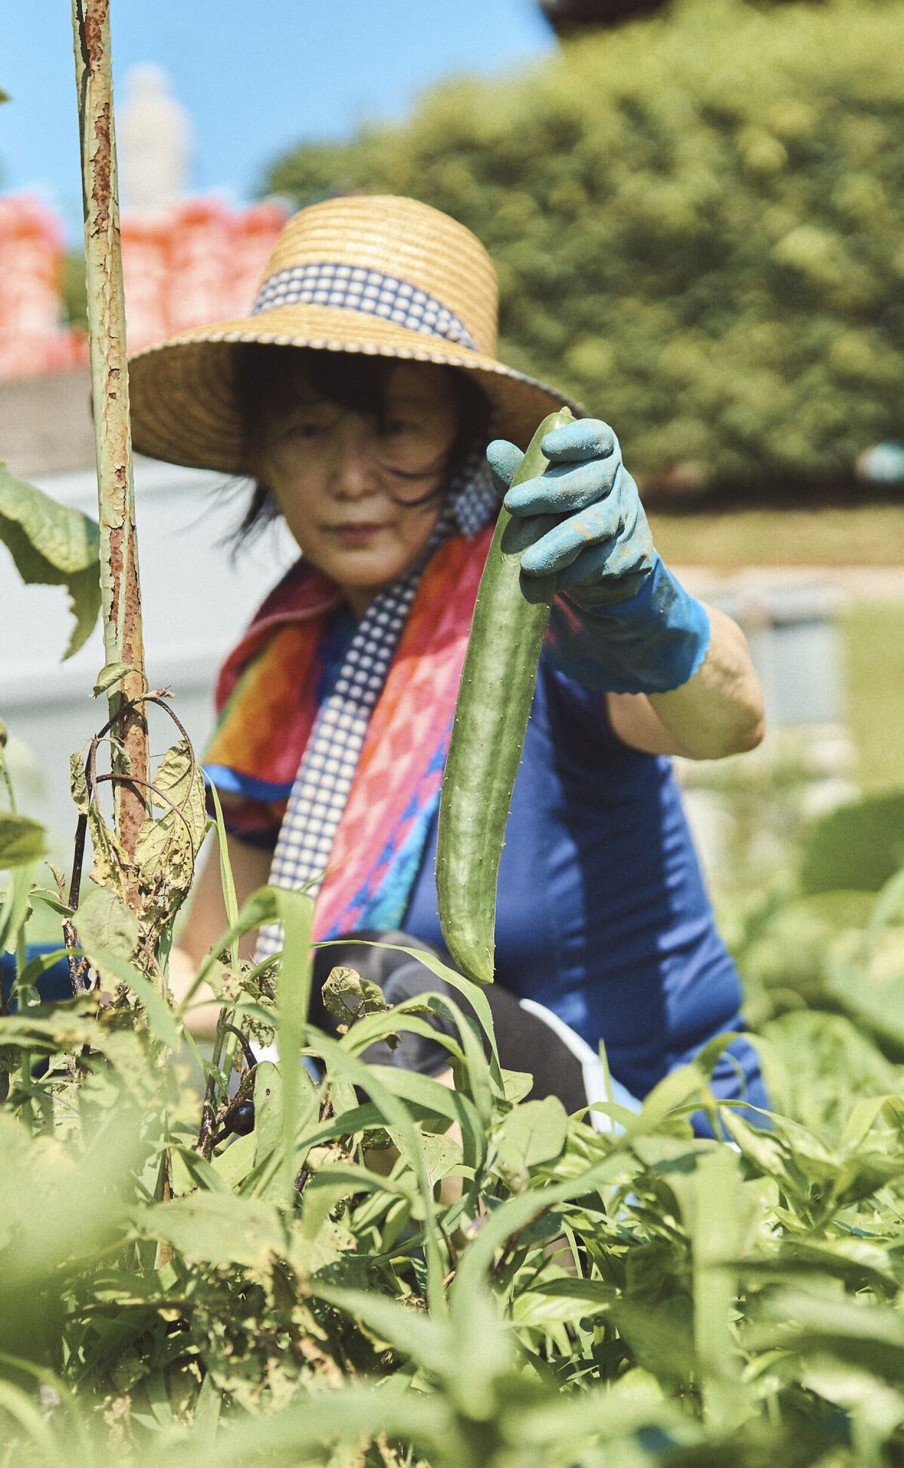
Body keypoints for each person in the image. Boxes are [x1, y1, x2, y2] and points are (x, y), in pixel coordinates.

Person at [127, 194, 769, 1131]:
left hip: (656, 1139)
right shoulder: (282, 672)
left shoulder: (548, 601)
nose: (350, 477)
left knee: (369, 981)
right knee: (305, 1000)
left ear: (465, 435)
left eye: (395, 428)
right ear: (263, 454)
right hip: (425, 1156)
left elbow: (724, 718)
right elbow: (214, 971)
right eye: (309, 430)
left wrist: (655, 621)